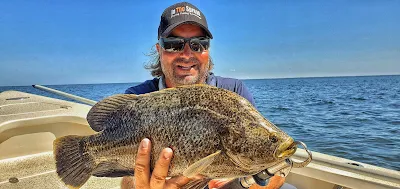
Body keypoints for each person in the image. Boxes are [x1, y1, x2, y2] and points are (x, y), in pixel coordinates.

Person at [121, 2, 296, 189]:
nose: (187, 54)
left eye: (198, 44)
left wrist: (239, 183)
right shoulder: (138, 98)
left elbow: (276, 173)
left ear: (208, 50)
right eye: (173, 44)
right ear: (159, 50)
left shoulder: (234, 92)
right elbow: (124, 176)